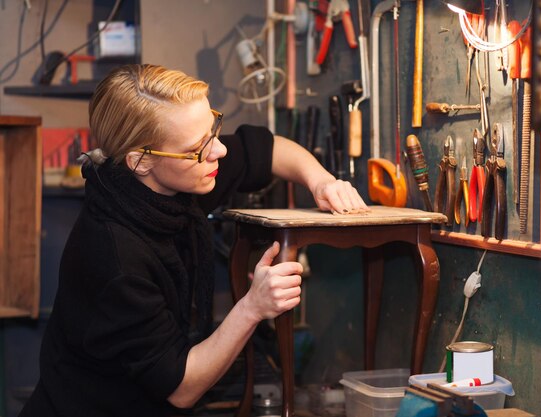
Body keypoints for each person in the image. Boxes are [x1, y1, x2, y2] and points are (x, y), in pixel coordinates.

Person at [19, 64, 368, 417]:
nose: (220, 151)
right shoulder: (115, 257)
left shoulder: (174, 177)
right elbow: (181, 389)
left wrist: (322, 182)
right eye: (198, 148)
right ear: (140, 161)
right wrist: (252, 307)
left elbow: (269, 150)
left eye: (212, 130)